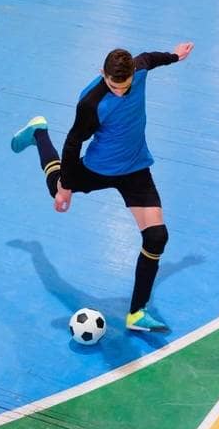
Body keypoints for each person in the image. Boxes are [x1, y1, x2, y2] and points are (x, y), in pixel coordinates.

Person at [11, 41, 194, 333]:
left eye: (124, 85)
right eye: (113, 85)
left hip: (135, 168)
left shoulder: (140, 69)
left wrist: (175, 56)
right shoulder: (91, 102)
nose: (120, 91)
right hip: (98, 168)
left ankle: (137, 313)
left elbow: (150, 57)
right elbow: (72, 144)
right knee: (55, 187)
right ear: (102, 73)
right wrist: (66, 188)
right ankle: (40, 133)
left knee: (157, 237)